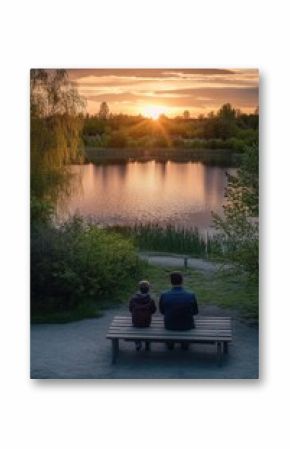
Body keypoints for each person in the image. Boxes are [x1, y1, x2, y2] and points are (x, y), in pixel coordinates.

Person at [159, 271, 198, 350]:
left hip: (170, 325)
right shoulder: (191, 295)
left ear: (171, 281)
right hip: (187, 325)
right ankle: (185, 342)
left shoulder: (164, 295)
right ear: (182, 281)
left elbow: (162, 311)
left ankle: (170, 342)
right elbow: (195, 312)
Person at [129, 280, 156, 351]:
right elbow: (153, 311)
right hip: (147, 322)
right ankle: (147, 343)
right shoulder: (151, 300)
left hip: (136, 322)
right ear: (148, 289)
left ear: (139, 289)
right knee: (147, 326)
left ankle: (138, 342)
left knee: (136, 326)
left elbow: (130, 310)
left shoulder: (133, 299)